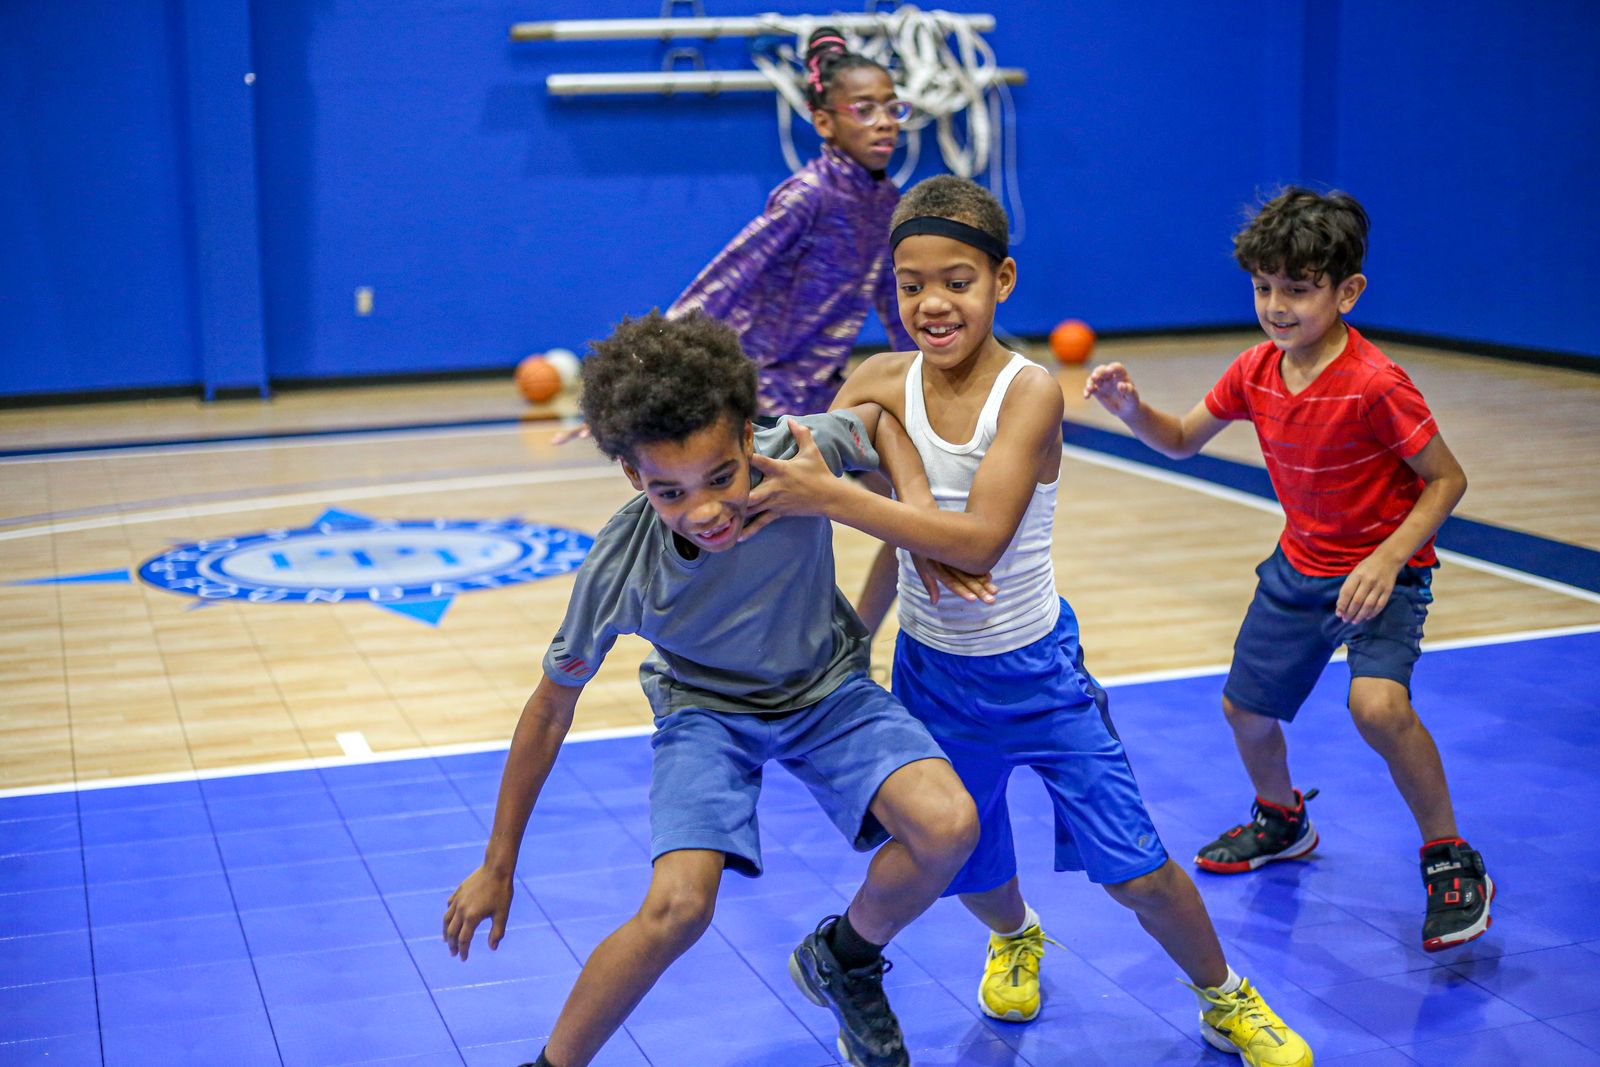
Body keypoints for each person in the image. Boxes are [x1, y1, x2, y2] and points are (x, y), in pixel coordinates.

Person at [743, 176, 1312, 1067]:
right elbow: (858, 484)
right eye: (911, 283)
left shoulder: (1030, 391)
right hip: (932, 673)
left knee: (1136, 866)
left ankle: (1224, 997)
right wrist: (854, 624)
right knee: (962, 856)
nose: (933, 302)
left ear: (1002, 279)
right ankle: (1014, 937)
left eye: (958, 280)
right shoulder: (878, 380)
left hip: (1040, 671)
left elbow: (974, 542)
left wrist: (840, 500)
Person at [442, 310, 978, 1067]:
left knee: (950, 826)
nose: (703, 509)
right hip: (706, 715)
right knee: (678, 908)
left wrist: (911, 509)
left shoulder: (800, 455)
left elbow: (880, 415)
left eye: (721, 476)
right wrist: (499, 861)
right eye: (669, 490)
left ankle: (846, 955)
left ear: (746, 433)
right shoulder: (622, 564)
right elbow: (548, 709)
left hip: (826, 690)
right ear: (633, 476)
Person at [1083, 186, 1489, 954]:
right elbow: (1179, 439)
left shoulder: (1377, 384)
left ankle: (1450, 856)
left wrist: (1387, 556)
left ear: (1347, 291)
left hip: (1381, 576)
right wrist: (1132, 409)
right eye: (1264, 287)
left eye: (1297, 290)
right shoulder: (1256, 369)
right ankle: (1283, 818)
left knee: (1377, 707)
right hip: (1299, 568)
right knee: (1245, 710)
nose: (1276, 305)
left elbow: (1447, 480)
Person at [560, 26, 914, 632]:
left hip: (823, 391)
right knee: (750, 534)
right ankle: (709, 651)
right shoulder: (808, 196)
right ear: (824, 121)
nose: (883, 122)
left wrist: (930, 383)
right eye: (864, 109)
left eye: (893, 107)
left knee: (912, 512)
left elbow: (893, 301)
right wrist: (639, 376)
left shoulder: (888, 203)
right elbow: (727, 278)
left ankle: (855, 642)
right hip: (768, 395)